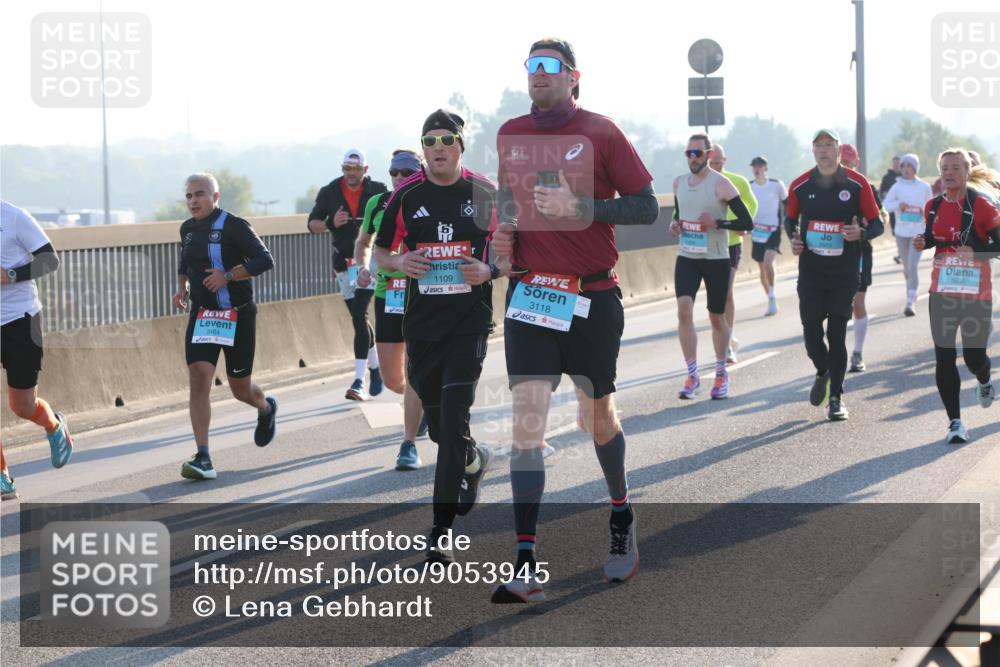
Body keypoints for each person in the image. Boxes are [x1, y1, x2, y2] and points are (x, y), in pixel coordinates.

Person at [490, 37, 659, 602]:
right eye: (530, 66)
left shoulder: (601, 132)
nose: (537, 74)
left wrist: (586, 210)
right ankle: (526, 559)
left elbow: (646, 206)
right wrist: (502, 237)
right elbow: (509, 201)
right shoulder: (510, 133)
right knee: (527, 424)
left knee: (597, 419)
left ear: (572, 77)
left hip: (592, 296)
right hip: (531, 296)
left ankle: (620, 515)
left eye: (549, 66)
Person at [374, 110, 497, 565]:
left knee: (453, 417)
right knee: (444, 430)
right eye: (430, 140)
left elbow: (509, 246)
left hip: (469, 322)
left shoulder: (484, 192)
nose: (439, 147)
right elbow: (382, 253)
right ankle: (473, 458)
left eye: (447, 139)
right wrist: (399, 264)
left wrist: (489, 270)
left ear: (460, 146)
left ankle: (440, 530)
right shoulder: (405, 196)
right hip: (422, 327)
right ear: (423, 148)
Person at [173, 173, 277, 480]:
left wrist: (227, 276)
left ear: (215, 197)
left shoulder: (234, 225)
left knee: (240, 389)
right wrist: (182, 289)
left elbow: (264, 260)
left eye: (200, 194)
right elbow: (185, 263)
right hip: (204, 314)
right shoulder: (187, 229)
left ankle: (266, 408)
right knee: (199, 376)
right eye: (189, 195)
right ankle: (203, 456)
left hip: (238, 315)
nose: (194, 201)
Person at [785, 130, 882, 421]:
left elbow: (877, 224)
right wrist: (794, 238)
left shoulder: (857, 183)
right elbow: (789, 219)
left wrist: (861, 233)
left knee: (837, 334)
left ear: (839, 151)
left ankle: (837, 398)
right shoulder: (801, 185)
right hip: (812, 271)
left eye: (829, 145)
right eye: (818, 146)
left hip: (844, 271)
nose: (823, 150)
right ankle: (823, 371)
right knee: (811, 335)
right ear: (812, 151)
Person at [912, 148, 1000, 443]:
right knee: (944, 357)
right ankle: (955, 422)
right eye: (945, 168)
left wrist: (977, 252)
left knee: (974, 357)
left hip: (977, 293)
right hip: (942, 291)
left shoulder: (983, 206)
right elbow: (932, 238)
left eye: (955, 168)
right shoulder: (932, 206)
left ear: (966, 171)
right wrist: (922, 242)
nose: (949, 173)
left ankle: (985, 378)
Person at [355, 149, 428, 470]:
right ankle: (421, 402)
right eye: (394, 172)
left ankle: (409, 441)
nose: (399, 177)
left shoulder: (428, 198)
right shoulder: (377, 203)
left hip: (422, 291)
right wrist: (362, 266)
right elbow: (363, 242)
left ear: (418, 172)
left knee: (414, 366)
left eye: (406, 172)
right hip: (387, 292)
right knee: (391, 378)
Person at [671, 136, 755, 398]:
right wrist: (675, 224)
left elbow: (747, 222)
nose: (692, 158)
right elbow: (679, 213)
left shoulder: (721, 184)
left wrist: (718, 224)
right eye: (688, 153)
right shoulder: (679, 183)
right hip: (687, 256)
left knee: (716, 318)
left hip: (716, 258)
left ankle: (720, 374)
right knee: (684, 311)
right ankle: (692, 375)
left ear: (707, 154)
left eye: (697, 153)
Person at [0, 200, 74, 499]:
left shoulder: (14, 217)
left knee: (22, 406)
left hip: (20, 319)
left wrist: (11, 275)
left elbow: (49, 260)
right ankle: (3, 476)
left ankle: (54, 426)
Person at [307, 149, 388, 401]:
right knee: (358, 318)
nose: (350, 173)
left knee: (358, 314)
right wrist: (332, 223)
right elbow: (312, 225)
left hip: (370, 260)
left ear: (365, 169)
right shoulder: (329, 191)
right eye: (346, 168)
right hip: (343, 263)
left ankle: (358, 380)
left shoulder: (378, 190)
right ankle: (375, 369)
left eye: (355, 169)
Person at [838, 143, 887, 373]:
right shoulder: (823, 186)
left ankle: (857, 352)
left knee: (858, 301)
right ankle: (834, 353)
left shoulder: (865, 186)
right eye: (842, 162)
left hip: (859, 250)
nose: (846, 167)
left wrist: (866, 227)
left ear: (856, 162)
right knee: (835, 304)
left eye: (849, 162)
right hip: (831, 252)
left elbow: (881, 218)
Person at [708, 144, 758, 364]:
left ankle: (727, 345)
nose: (715, 166)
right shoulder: (700, 183)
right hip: (707, 244)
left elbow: (752, 204)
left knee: (725, 292)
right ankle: (726, 336)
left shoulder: (737, 182)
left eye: (719, 162)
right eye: (712, 162)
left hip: (731, 242)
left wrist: (745, 226)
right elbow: (681, 208)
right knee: (714, 295)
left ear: (724, 160)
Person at [883, 153, 933, 316]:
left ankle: (910, 301)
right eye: (903, 166)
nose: (905, 169)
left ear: (915, 168)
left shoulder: (924, 187)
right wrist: (899, 204)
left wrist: (922, 211)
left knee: (912, 267)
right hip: (901, 232)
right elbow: (885, 205)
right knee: (906, 268)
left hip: (918, 233)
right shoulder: (897, 186)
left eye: (909, 166)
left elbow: (931, 208)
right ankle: (911, 288)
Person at [749, 157, 788, 316]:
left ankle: (772, 293)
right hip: (757, 231)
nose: (756, 169)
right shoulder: (749, 186)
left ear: (765, 168)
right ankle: (770, 299)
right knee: (761, 268)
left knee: (768, 263)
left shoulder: (776, 184)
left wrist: (786, 221)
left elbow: (788, 203)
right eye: (754, 167)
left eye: (759, 166)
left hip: (773, 230)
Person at [880, 156, 901, 262]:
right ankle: (901, 252)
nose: (896, 165)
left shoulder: (906, 176)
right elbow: (882, 191)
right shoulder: (887, 177)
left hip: (904, 210)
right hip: (892, 209)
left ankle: (903, 253)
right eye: (894, 163)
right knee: (896, 231)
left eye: (898, 163)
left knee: (905, 229)